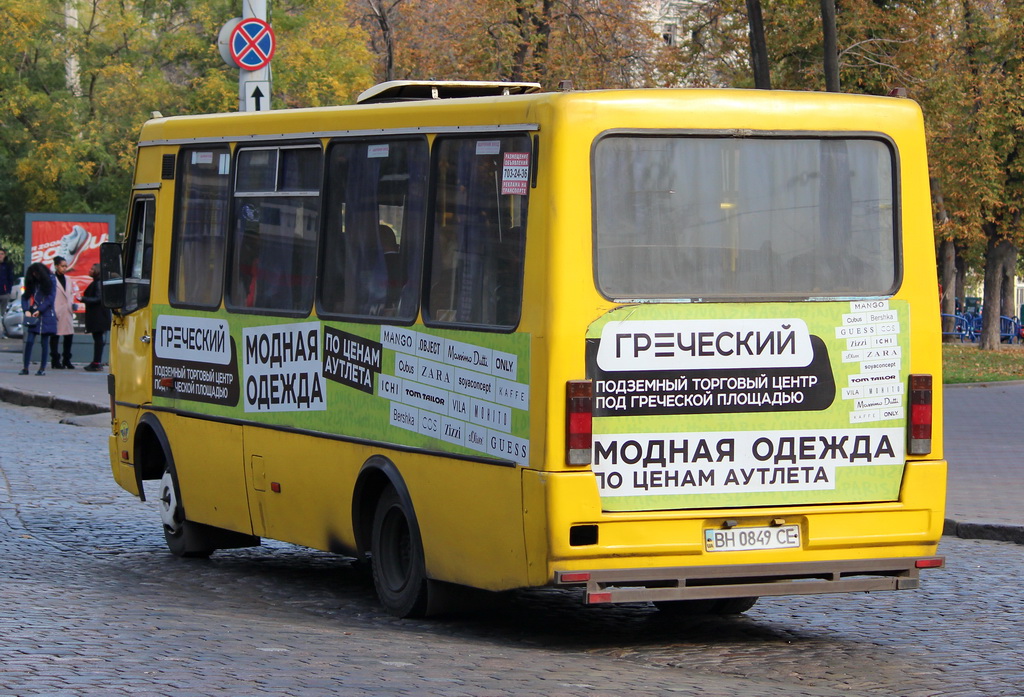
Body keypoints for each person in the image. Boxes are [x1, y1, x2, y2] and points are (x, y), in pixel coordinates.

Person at [20, 262, 56, 376]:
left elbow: (51, 298)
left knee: (45, 342)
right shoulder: (33, 282)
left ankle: (42, 368)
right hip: (34, 313)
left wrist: (39, 310)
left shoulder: (50, 279)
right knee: (29, 341)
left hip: (45, 314)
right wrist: (26, 309)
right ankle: (25, 367)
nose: (35, 276)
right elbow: (25, 296)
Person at [49, 256, 79, 369]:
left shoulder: (68, 279)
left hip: (67, 310)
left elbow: (71, 294)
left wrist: (72, 306)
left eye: (66, 266)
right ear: (56, 266)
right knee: (55, 336)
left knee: (68, 336)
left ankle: (67, 359)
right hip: (56, 310)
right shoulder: (51, 279)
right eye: (62, 266)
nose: (64, 268)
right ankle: (55, 360)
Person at [80, 263, 111, 371]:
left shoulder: (98, 283)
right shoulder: (97, 282)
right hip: (98, 315)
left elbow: (98, 298)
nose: (90, 270)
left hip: (99, 316)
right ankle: (96, 361)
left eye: (92, 269)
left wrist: (83, 299)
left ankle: (96, 362)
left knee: (98, 339)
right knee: (98, 339)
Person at [0, 248, 14, 318]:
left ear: (4, 255)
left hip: (4, 292)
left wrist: (8, 291)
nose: (0, 255)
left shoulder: (7, 266)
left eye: (2, 254)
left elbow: (10, 279)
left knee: (3, 313)